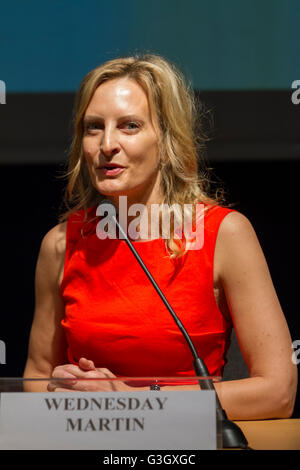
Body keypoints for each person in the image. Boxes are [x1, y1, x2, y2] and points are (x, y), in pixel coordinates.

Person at [23, 54, 297, 420]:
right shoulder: (60, 243)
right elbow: (36, 377)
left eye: (129, 126)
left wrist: (136, 401)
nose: (106, 144)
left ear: (166, 138)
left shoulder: (224, 233)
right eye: (93, 127)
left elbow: (277, 393)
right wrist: (59, 388)